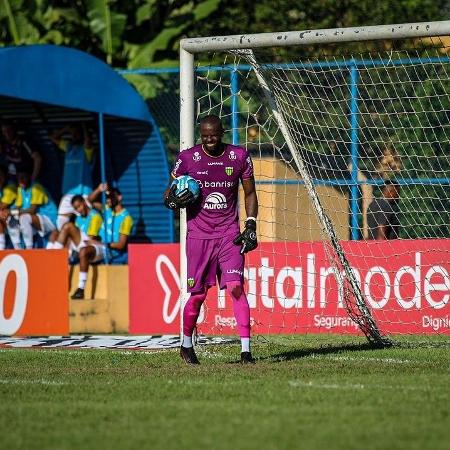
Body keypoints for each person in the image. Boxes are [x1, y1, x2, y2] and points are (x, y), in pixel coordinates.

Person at [164, 114, 258, 365]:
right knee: (197, 295)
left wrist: (251, 224)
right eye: (205, 136)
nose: (209, 140)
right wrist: (173, 200)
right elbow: (168, 195)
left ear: (222, 132)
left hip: (229, 234)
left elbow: (250, 193)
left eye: (213, 135)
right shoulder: (187, 159)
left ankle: (246, 352)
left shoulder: (238, 157)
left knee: (237, 287)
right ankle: (185, 345)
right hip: (199, 236)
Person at [69, 184, 133, 300]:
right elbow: (88, 201)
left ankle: (81, 289)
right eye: (107, 197)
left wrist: (103, 244)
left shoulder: (126, 218)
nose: (108, 200)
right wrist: (99, 189)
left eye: (111, 197)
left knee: (84, 250)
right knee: (69, 231)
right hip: (99, 246)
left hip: (109, 250)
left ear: (119, 198)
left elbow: (121, 244)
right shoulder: (107, 210)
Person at [49, 123, 94, 231]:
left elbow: (88, 142)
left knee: (84, 220)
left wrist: (84, 128)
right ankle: (67, 242)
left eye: (77, 134)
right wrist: (65, 129)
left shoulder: (86, 149)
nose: (74, 136)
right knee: (60, 221)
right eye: (72, 134)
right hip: (68, 192)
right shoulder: (68, 147)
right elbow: (52, 138)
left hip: (83, 192)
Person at [7, 169, 57, 249]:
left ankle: (29, 249)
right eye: (19, 177)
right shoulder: (21, 189)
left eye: (23, 177)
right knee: (11, 218)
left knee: (24, 217)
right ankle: (17, 248)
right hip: (34, 220)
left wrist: (12, 212)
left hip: (49, 220)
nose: (21, 180)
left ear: (29, 177)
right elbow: (17, 206)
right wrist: (8, 212)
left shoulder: (36, 187)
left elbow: (32, 210)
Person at [0, 164, 17, 249]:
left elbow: (2, 206)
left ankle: (1, 250)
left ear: (5, 176)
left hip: (16, 219)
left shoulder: (10, 187)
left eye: (0, 176)